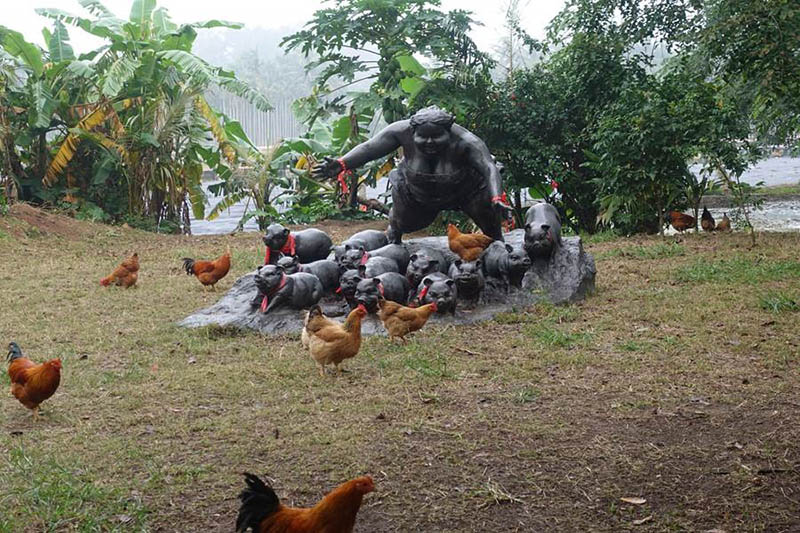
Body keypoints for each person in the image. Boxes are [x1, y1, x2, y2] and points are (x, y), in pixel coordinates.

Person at [313, 106, 511, 243]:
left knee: (490, 223)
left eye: (436, 137)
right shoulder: (400, 131)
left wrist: (496, 197)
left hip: (467, 190)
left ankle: (498, 246)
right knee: (401, 223)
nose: (429, 142)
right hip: (417, 193)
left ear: (449, 132)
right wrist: (341, 163)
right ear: (412, 130)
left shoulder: (467, 141)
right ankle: (393, 239)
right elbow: (369, 148)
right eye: (423, 137)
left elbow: (488, 167)